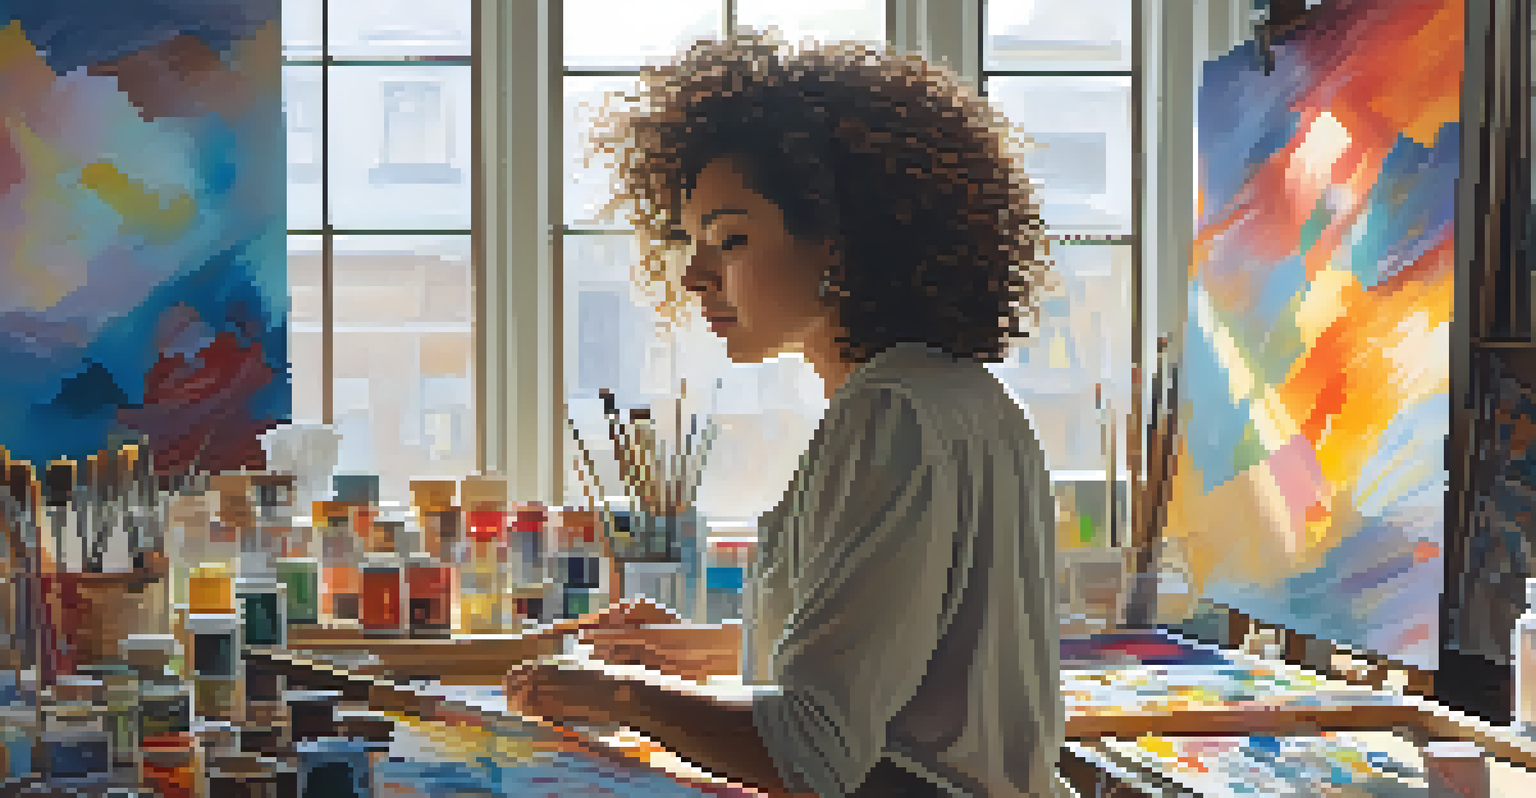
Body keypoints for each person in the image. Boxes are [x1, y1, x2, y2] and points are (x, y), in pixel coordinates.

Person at [506, 30, 1069, 798]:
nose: (696, 275)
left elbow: (812, 754)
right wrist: (696, 653)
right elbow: (902, 660)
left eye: (730, 238)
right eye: (692, 242)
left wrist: (617, 697)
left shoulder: (888, 418)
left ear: (838, 243)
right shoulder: (963, 397)